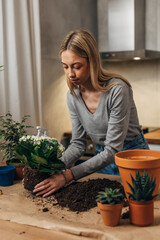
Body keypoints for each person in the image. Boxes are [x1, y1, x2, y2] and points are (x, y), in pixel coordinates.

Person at [33, 29, 149, 197]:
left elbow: (113, 150)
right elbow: (78, 144)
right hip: (102, 162)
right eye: (65, 67)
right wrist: (50, 169)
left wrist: (67, 176)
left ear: (93, 61)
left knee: (138, 212)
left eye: (76, 66)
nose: (70, 73)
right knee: (103, 212)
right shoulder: (73, 96)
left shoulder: (117, 90)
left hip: (133, 158)